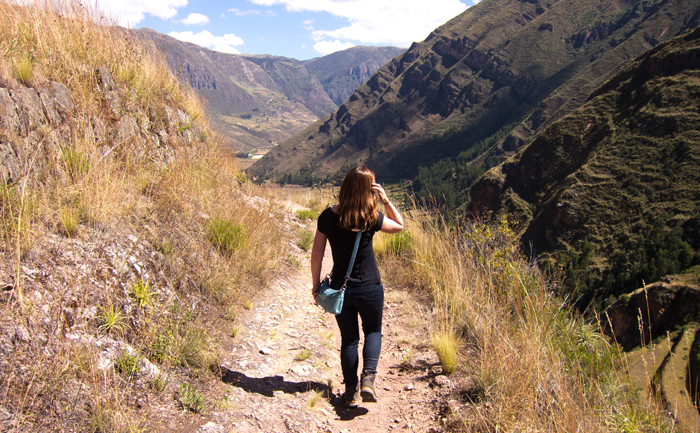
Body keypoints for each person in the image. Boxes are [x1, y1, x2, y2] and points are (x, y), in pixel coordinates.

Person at [311, 165, 404, 408]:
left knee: (349, 340)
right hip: (370, 287)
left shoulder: (327, 217)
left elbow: (317, 256)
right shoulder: (371, 218)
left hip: (340, 290)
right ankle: (368, 381)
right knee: (373, 331)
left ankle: (350, 391)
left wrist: (315, 286)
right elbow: (399, 225)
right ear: (368, 191)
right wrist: (385, 200)